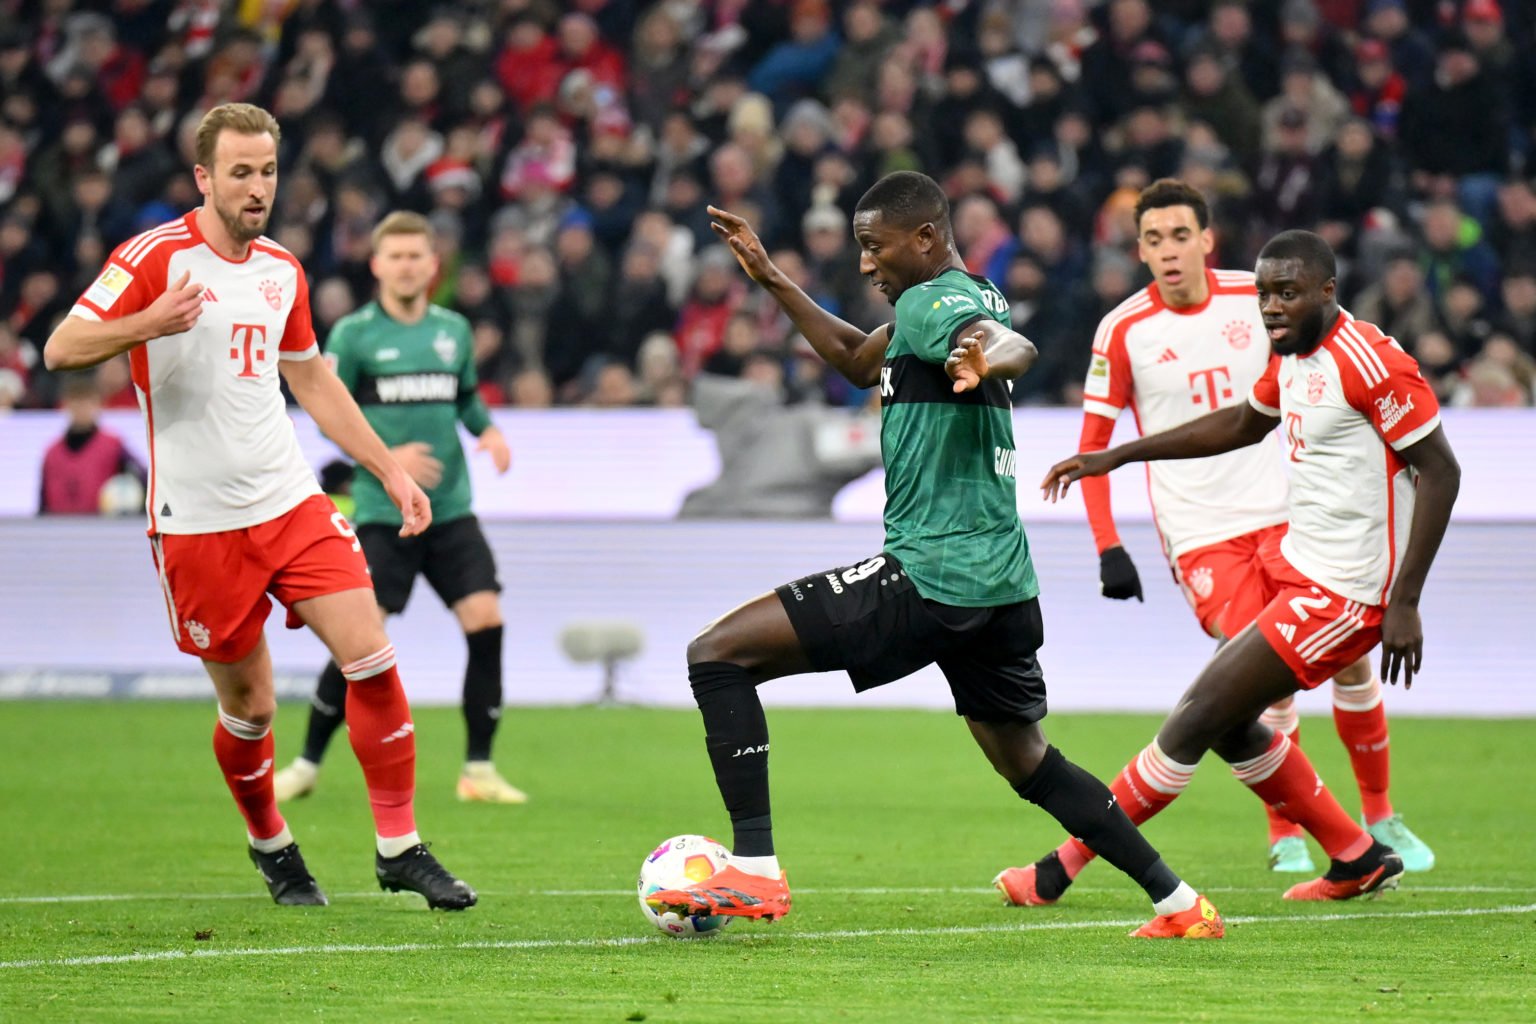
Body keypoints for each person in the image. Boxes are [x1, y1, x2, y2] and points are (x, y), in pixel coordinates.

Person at [645, 172, 1225, 940]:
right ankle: (1180, 903)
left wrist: (988, 356)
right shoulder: (954, 301)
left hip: (933, 572)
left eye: (873, 247)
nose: (864, 264)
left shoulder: (936, 306)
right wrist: (773, 277)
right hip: (1003, 586)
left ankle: (754, 868)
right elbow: (858, 358)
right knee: (1031, 764)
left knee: (716, 655)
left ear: (924, 238)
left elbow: (1004, 344)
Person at [41, 103, 476, 910]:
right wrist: (147, 321)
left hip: (289, 499)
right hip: (198, 524)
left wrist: (385, 469)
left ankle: (399, 846)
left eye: (268, 171)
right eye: (240, 172)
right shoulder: (152, 258)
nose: (257, 187)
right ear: (204, 177)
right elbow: (61, 348)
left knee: (370, 654)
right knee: (251, 707)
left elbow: (311, 378)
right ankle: (272, 843)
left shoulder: (282, 269)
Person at [997, 229, 1460, 907]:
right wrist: (1119, 455)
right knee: (1231, 721)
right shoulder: (1293, 356)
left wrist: (1406, 601)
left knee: (1196, 718)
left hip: (1351, 597)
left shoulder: (1371, 362)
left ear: (1328, 291)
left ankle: (1058, 870)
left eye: (1289, 292)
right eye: (1266, 292)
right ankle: (1357, 855)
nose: (1271, 306)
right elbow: (1243, 423)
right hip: (1310, 578)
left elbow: (1442, 471)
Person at [271, 211, 526, 806]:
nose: (408, 265)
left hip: (452, 509)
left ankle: (479, 770)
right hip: (384, 514)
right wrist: (390, 457)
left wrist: (488, 432)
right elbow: (325, 412)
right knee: (361, 640)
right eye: (398, 256)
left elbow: (463, 396)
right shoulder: (354, 336)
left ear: (433, 266)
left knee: (486, 621)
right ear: (377, 264)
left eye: (418, 256)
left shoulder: (454, 331)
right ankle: (306, 763)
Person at [38, 369, 144, 515]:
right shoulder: (52, 453)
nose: (81, 409)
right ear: (66, 405)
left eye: (86, 402)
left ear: (98, 404)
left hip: (100, 530)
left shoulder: (113, 446)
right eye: (76, 402)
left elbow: (140, 480)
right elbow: (43, 501)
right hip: (59, 529)